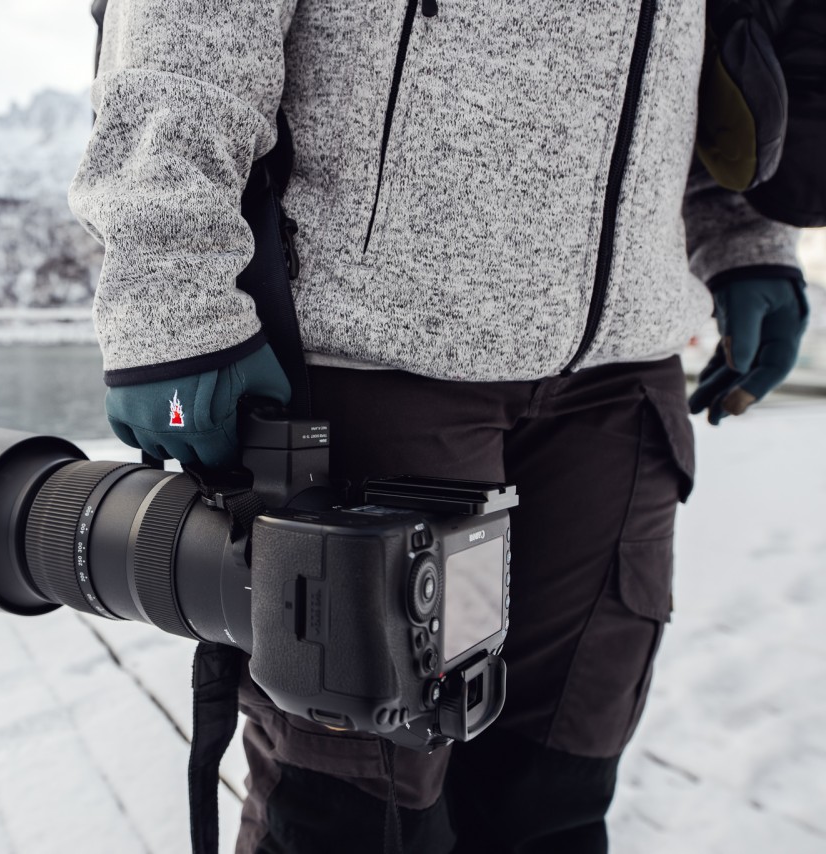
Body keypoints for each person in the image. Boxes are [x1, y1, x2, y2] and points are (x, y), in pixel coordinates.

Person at [68, 2, 808, 852]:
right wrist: (170, 287)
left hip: (619, 383)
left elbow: (701, 53)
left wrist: (745, 235)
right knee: (354, 819)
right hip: (375, 367)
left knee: (556, 802)